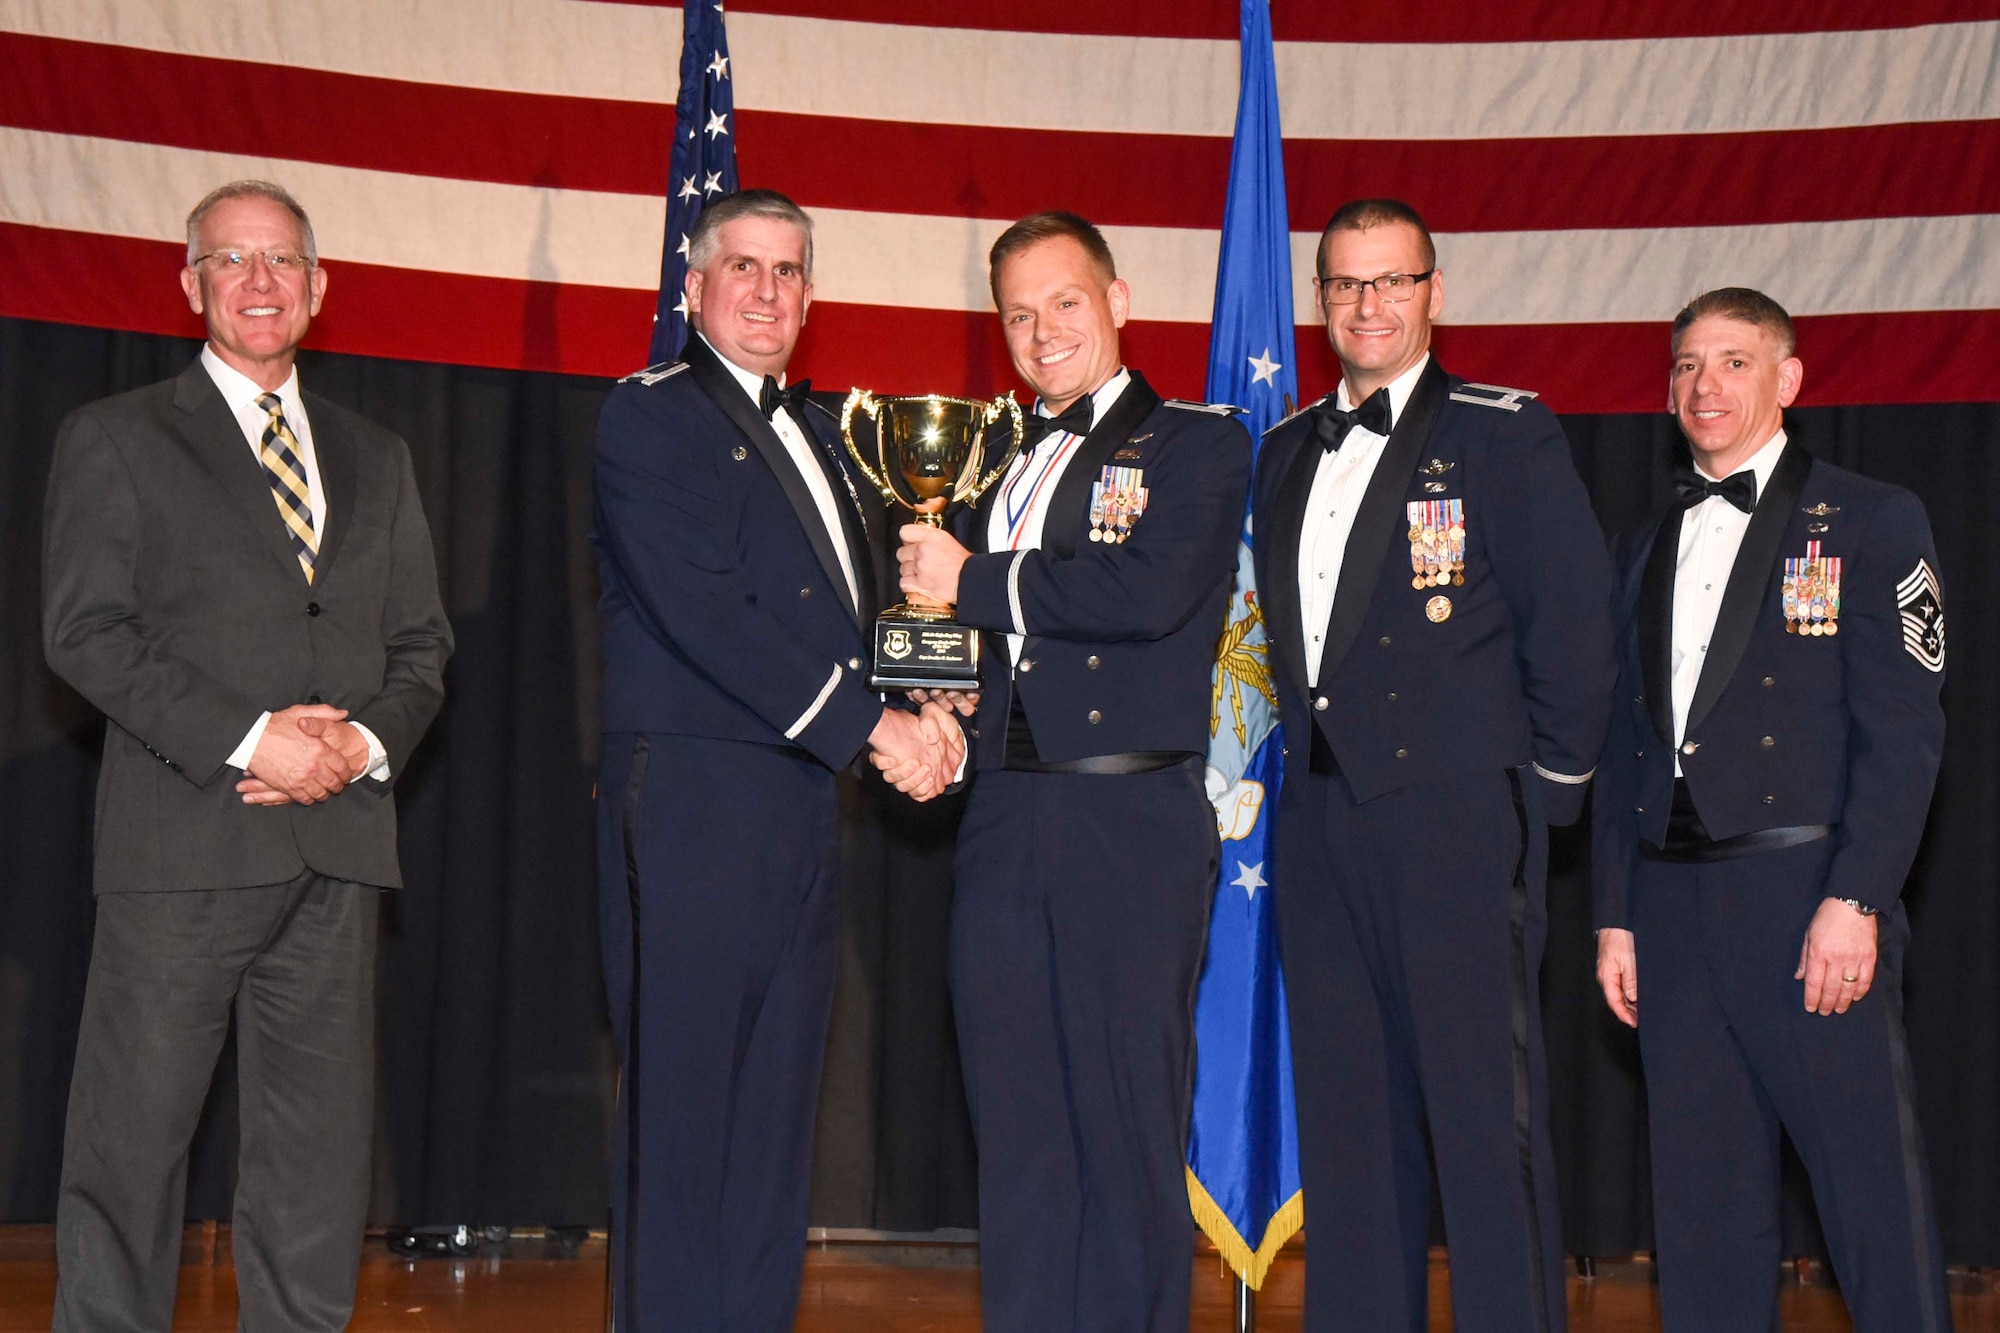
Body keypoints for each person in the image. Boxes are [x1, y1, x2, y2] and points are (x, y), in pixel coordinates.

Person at [41, 180, 453, 1331]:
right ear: (191, 288)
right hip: (182, 847)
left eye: (282, 260)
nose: (260, 281)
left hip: (336, 851)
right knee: (129, 1152)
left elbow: (421, 644)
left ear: (320, 290)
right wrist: (252, 735)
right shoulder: (116, 437)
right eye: (232, 260)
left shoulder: (377, 456)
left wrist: (357, 745)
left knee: (317, 1167)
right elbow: (83, 633)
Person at [592, 188, 960, 1333]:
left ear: (809, 296)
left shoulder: (814, 430)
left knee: (771, 1121)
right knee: (687, 1114)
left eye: (788, 271)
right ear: (692, 285)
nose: (766, 290)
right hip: (697, 800)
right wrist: (874, 730)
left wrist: (930, 694)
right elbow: (712, 614)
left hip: (799, 805)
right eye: (742, 266)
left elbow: (846, 618)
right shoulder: (649, 417)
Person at [1250, 198, 1613, 1332]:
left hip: (1455, 816)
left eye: (1389, 282)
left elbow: (1575, 621)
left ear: (1432, 293)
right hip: (1317, 819)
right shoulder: (1279, 449)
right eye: (1345, 286)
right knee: (1350, 1127)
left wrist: (1541, 801)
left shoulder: (1501, 432)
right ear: (1319, 304)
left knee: (1477, 1118)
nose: (1367, 306)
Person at [896, 211, 1251, 1332]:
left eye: (1064, 302)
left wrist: (972, 583)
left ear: (1118, 301)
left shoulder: (1199, 441)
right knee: (1018, 1128)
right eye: (1016, 312)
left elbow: (1143, 595)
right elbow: (991, 630)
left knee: (1123, 1125)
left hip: (1127, 815)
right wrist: (943, 696)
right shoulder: (993, 451)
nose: (1041, 330)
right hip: (1000, 811)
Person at [1591, 288, 1950, 1331]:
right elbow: (1623, 737)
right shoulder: (1644, 536)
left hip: (1806, 902)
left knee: (1868, 1196)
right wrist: (1615, 909)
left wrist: (1856, 897)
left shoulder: (1874, 518)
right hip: (1669, 906)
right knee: (1701, 1214)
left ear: (1786, 378)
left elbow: (1904, 732)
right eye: (1687, 366)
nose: (1706, 386)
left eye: (1734, 362)